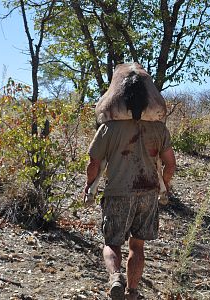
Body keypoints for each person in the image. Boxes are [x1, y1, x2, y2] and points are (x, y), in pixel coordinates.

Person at [84, 70, 176, 300]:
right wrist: (163, 185)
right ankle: (132, 292)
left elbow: (94, 163)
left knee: (111, 243)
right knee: (138, 246)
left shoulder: (108, 128)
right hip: (148, 194)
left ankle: (115, 277)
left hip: (117, 193)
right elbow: (171, 165)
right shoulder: (159, 129)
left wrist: (88, 186)